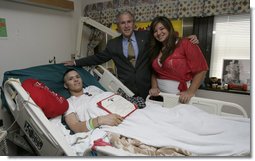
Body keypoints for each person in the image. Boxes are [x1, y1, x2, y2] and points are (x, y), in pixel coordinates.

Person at [64, 11, 199, 99]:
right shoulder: (112, 44)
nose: (126, 25)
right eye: (123, 23)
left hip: (149, 90)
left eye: (129, 22)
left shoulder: (146, 36)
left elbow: (165, 38)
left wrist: (187, 39)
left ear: (133, 24)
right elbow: (98, 58)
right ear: (118, 26)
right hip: (127, 91)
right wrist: (76, 62)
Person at [148, 16, 208, 104]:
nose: (158, 33)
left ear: (169, 28)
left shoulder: (186, 43)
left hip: (181, 97)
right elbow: (155, 72)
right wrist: (154, 87)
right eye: (155, 31)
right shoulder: (156, 49)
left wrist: (190, 92)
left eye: (161, 29)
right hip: (160, 98)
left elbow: (202, 69)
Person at [63, 69, 123, 133]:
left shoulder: (92, 88)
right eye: (71, 79)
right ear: (66, 85)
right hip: (103, 126)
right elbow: (75, 127)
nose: (76, 80)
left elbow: (107, 98)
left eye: (78, 77)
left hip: (119, 113)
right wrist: (100, 120)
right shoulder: (68, 103)